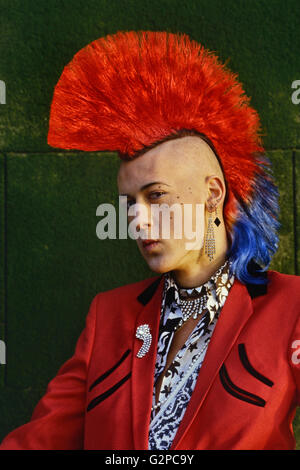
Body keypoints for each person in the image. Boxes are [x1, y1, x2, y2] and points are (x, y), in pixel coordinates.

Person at [1, 30, 300, 450]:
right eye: (129, 202)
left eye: (156, 195)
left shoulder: (290, 308)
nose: (137, 220)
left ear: (213, 193)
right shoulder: (108, 317)